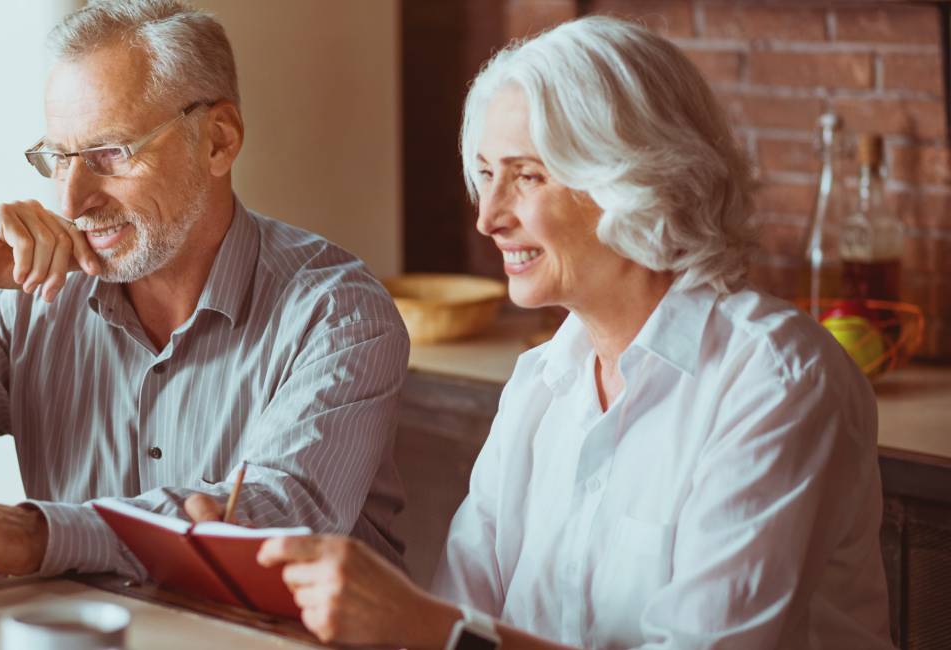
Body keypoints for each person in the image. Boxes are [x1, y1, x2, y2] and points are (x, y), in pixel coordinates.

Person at [216, 16, 893, 649]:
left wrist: (425, 627)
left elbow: (453, 629)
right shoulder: (541, 381)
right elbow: (467, 606)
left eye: (527, 176)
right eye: (486, 177)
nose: (489, 219)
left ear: (635, 179)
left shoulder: (774, 380)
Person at [0, 0, 408, 592]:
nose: (72, 201)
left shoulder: (338, 311)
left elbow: (274, 527)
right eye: (59, 158)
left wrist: (40, 533)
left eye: (110, 154)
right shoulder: (35, 302)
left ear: (218, 140)